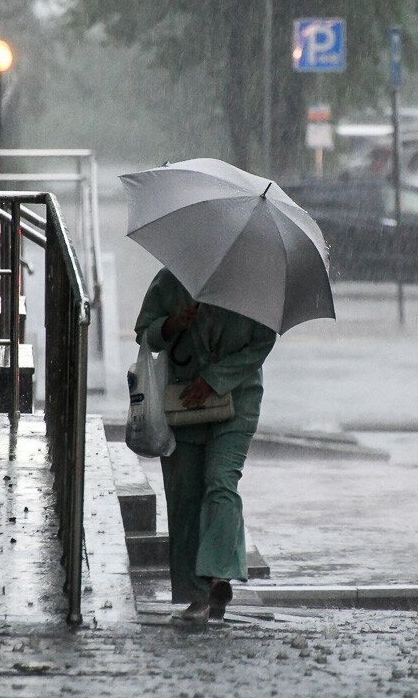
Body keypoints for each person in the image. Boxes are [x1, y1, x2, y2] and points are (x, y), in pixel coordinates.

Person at [134, 267, 277, 623]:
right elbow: (147, 334)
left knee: (220, 480)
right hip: (182, 402)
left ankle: (217, 576)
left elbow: (262, 342)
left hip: (236, 400)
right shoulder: (170, 280)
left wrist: (214, 380)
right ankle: (196, 597)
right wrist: (173, 324)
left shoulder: (252, 287)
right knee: (184, 496)